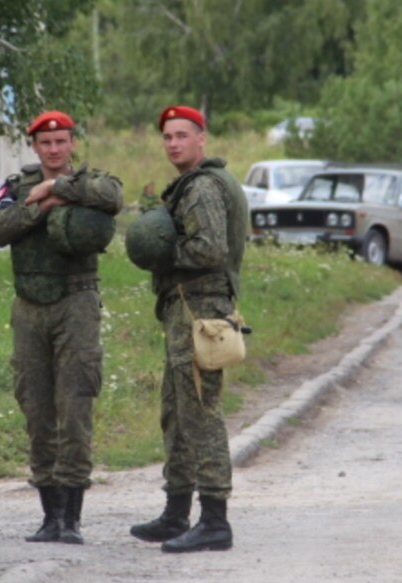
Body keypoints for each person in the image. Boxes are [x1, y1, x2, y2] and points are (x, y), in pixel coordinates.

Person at [0, 110, 123, 545]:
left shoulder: (90, 184)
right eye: (46, 143)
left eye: (61, 141)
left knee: (76, 406)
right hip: (29, 308)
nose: (54, 149)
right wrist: (45, 203)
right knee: (37, 409)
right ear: (35, 147)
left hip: (76, 302)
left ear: (71, 143)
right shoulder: (16, 186)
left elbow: (114, 197)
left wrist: (61, 187)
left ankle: (73, 519)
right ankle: (49, 517)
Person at [129, 105, 248, 553]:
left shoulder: (200, 188)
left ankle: (215, 521)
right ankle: (176, 513)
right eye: (167, 136)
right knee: (177, 412)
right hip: (188, 308)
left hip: (199, 309)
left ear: (202, 139)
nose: (174, 143)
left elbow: (210, 249)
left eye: (182, 135)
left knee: (199, 411)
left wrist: (163, 252)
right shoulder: (200, 183)